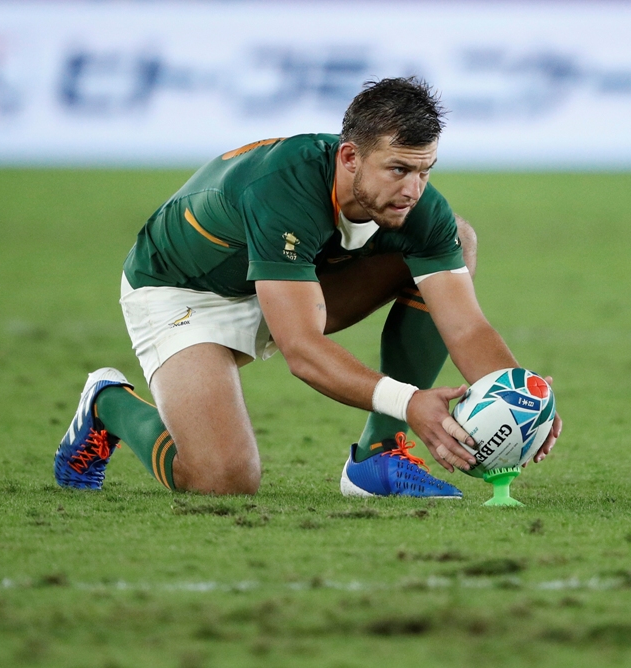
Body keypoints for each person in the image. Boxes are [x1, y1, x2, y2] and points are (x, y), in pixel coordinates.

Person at [54, 77, 561, 498]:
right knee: (222, 479)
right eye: (399, 169)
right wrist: (410, 401)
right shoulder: (283, 189)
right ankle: (108, 404)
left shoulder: (416, 205)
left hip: (291, 282)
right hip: (183, 293)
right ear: (349, 159)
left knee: (458, 237)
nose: (413, 189)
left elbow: (466, 325)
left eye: (425, 171)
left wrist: (521, 399)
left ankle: (377, 458)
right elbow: (302, 349)